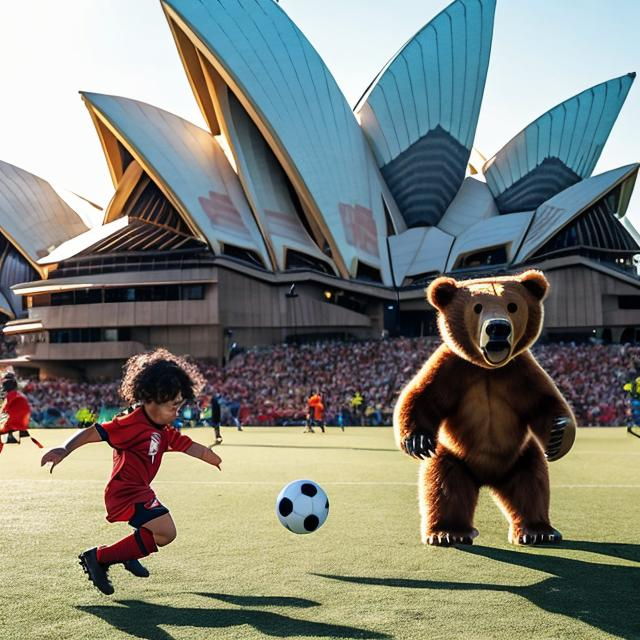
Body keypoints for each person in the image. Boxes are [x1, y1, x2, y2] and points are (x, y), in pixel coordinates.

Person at [40, 349, 222, 596]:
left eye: (180, 405)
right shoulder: (131, 423)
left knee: (160, 532)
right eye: (173, 406)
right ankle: (98, 558)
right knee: (166, 532)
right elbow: (95, 431)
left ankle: (126, 554)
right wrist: (66, 448)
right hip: (124, 492)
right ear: (151, 399)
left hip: (139, 491)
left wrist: (209, 456)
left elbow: (186, 444)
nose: (177, 412)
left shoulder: (163, 429)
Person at [0, 372, 43, 454]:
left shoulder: (10, 396)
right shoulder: (18, 395)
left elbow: (4, 411)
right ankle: (40, 447)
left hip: (13, 424)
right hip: (21, 422)